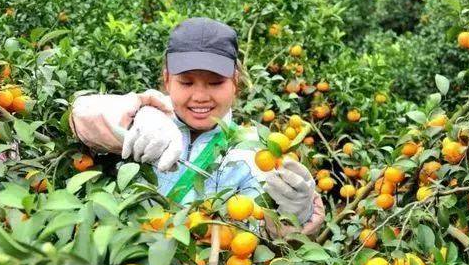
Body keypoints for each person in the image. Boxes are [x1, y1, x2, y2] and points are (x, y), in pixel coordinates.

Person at [70, 17, 325, 237]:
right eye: (186, 82)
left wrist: (290, 216)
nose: (200, 96)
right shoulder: (145, 117)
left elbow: (255, 236)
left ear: (235, 82)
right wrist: (131, 116)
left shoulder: (253, 156)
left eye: (215, 83)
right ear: (167, 80)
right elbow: (79, 115)